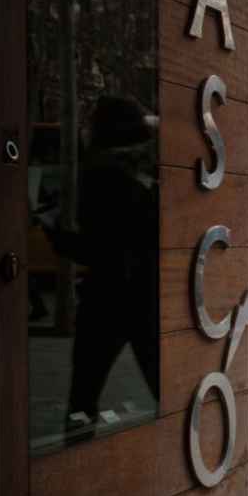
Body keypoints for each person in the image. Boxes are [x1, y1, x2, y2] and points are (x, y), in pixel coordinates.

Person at [45, 95, 160, 435]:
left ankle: (77, 466)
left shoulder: (98, 175)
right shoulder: (151, 172)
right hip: (147, 295)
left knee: (83, 396)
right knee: (165, 387)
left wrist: (59, 237)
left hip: (106, 298)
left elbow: (99, 247)